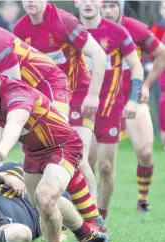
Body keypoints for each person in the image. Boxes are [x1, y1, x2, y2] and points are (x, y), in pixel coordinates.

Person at [0, 64, 108, 242]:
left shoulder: (17, 96)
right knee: (39, 202)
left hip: (62, 145)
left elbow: (15, 123)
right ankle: (88, 237)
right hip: (34, 151)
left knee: (45, 199)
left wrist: (4, 148)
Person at [13, 0, 106, 204]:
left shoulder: (65, 21)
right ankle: (55, 220)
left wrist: (93, 95)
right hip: (46, 102)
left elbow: (99, 54)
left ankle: (95, 224)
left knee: (78, 160)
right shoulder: (20, 29)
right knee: (44, 163)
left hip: (77, 97)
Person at [75, 0, 144, 221]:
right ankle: (87, 219)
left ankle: (101, 217)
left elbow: (136, 65)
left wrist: (133, 99)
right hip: (80, 107)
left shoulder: (116, 31)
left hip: (110, 109)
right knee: (84, 163)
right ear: (75, 2)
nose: (87, 3)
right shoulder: (70, 30)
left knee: (105, 166)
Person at [101, 0, 165, 213]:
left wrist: (146, 85)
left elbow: (161, 53)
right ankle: (92, 209)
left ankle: (142, 201)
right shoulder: (88, 31)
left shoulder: (135, 28)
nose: (108, 11)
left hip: (133, 98)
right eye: (104, 6)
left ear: (120, 6)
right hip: (102, 102)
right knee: (98, 161)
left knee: (146, 151)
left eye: (113, 6)